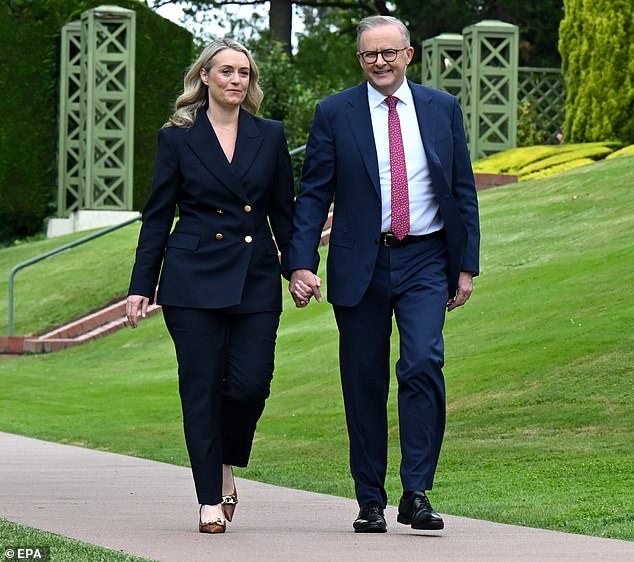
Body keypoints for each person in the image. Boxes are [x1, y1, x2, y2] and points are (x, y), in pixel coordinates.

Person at [287, 15, 480, 533]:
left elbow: (461, 189)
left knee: (421, 364)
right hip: (360, 264)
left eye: (389, 53)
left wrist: (466, 266)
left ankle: (416, 492)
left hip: (424, 259)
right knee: (363, 381)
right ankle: (370, 499)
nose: (380, 62)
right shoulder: (334, 113)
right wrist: (301, 261)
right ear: (360, 60)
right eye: (370, 54)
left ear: (408, 55)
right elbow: (313, 195)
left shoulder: (442, 109)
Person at [126, 38, 294, 534]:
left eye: (244, 72)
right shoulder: (177, 137)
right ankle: (209, 498)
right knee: (201, 388)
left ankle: (225, 464)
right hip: (192, 278)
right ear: (205, 77)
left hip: (256, 275)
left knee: (249, 385)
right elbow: (157, 217)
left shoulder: (270, 134)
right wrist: (141, 286)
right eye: (226, 71)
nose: (236, 80)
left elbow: (285, 213)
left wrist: (299, 268)